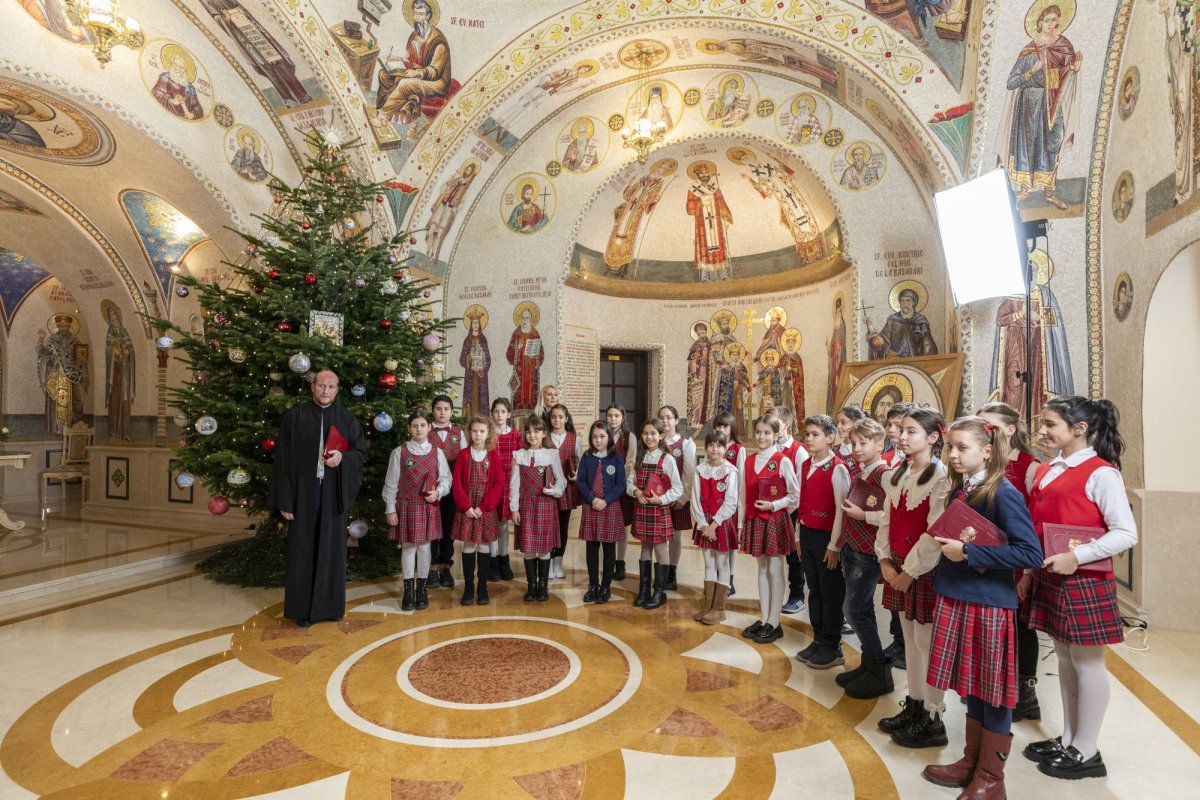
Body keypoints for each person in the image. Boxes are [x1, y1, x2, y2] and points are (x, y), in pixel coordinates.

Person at [922, 416, 1043, 799]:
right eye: (950, 448)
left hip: (988, 603)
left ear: (987, 452)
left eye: (963, 448)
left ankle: (992, 778)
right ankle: (971, 762)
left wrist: (969, 551)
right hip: (960, 596)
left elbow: (1030, 552)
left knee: (994, 690)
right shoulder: (963, 489)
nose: (954, 455)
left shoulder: (1003, 491)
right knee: (973, 685)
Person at [1022, 396, 1136, 780]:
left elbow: (1125, 533)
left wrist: (1079, 556)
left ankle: (1087, 750)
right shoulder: (1048, 469)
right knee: (1067, 660)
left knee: (1088, 663)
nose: (1042, 431)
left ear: (1080, 429)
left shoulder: (1102, 473)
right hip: (1051, 573)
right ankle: (1069, 737)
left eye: (1050, 424)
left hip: (1083, 577)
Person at [875, 408, 951, 749]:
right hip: (899, 567)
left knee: (927, 644)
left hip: (923, 570)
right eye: (901, 431)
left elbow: (935, 532)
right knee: (910, 642)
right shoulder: (900, 473)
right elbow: (888, 520)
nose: (902, 436)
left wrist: (908, 572)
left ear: (933, 438)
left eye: (911, 432)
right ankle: (915, 705)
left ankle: (934, 718)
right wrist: (884, 560)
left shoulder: (941, 477)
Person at [269, 370, 367, 627]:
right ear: (313, 387)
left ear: (337, 389)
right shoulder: (294, 417)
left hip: (332, 491)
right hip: (304, 493)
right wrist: (286, 501)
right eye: (321, 385)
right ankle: (302, 611)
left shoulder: (346, 419)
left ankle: (330, 608)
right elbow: (282, 461)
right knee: (303, 549)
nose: (326, 391)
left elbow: (359, 452)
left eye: (331, 386)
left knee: (332, 549)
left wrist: (342, 459)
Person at [978, 400, 1044, 722]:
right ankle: (995, 689)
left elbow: (1033, 522)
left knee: (1020, 626)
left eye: (989, 424)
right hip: (986, 559)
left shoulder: (1029, 467)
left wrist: (1029, 573)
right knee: (994, 627)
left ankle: (1025, 692)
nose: (985, 430)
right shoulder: (984, 462)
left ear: (1009, 429)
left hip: (1017, 562)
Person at [836, 418, 896, 699]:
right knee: (861, 609)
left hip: (868, 551)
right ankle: (868, 664)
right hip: (854, 547)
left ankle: (879, 669)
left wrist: (864, 516)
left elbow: (894, 514)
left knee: (854, 610)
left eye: (863, 443)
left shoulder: (884, 473)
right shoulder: (862, 471)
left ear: (879, 444)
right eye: (853, 443)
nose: (856, 448)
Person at [795, 415, 851, 669]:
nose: (809, 438)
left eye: (815, 434)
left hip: (826, 539)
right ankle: (818, 638)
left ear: (830, 438)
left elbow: (841, 510)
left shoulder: (837, 467)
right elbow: (801, 502)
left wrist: (834, 546)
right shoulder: (806, 464)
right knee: (814, 589)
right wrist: (798, 536)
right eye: (807, 434)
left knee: (830, 592)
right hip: (807, 534)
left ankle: (832, 643)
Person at [740, 414, 799, 644]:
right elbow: (744, 495)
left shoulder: (782, 460)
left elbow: (794, 495)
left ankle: (775, 621)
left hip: (774, 521)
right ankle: (764, 617)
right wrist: (741, 521)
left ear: (776, 435)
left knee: (775, 570)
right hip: (755, 520)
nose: (761, 436)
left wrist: (774, 505)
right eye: (758, 432)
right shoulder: (748, 460)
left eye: (767, 432)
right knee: (762, 570)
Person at [384, 409, 449, 612]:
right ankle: (408, 590)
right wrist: (390, 509)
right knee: (409, 547)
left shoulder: (437, 452)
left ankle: (421, 589)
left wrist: (438, 492)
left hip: (427, 505)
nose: (419, 429)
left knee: (424, 547)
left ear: (429, 427)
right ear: (408, 428)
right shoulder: (399, 452)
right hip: (406, 505)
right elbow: (391, 483)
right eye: (414, 426)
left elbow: (447, 478)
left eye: (422, 425)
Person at [629, 418, 684, 610]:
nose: (649, 437)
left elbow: (678, 488)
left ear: (660, 435)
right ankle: (644, 590)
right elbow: (630, 482)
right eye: (645, 433)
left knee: (661, 549)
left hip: (659, 509)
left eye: (653, 433)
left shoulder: (667, 459)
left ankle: (659, 592)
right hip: (643, 509)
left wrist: (661, 499)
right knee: (645, 548)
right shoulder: (639, 457)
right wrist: (635, 492)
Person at [511, 415, 567, 602]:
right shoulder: (519, 455)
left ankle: (543, 586)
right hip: (526, 505)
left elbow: (561, 479)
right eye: (528, 432)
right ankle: (531, 585)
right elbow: (514, 484)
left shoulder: (552, 454)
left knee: (543, 548)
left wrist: (555, 491)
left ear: (544, 433)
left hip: (545, 503)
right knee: (528, 547)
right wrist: (514, 508)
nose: (532, 435)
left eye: (536, 431)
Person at [451, 416, 503, 606]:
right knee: (469, 546)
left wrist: (483, 507)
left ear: (488, 433)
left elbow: (498, 484)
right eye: (475, 431)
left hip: (485, 508)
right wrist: (466, 507)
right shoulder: (464, 455)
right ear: (469, 433)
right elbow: (456, 483)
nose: (478, 435)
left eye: (482, 431)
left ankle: (482, 587)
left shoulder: (493, 456)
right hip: (467, 508)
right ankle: (468, 588)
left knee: (483, 546)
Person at [376, 0, 452, 125]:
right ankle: (384, 112)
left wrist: (417, 74)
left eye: (421, 14)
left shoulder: (438, 41)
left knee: (405, 84)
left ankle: (382, 117)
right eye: (415, 14)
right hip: (417, 72)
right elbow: (412, 61)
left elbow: (435, 71)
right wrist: (399, 59)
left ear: (428, 16)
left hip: (437, 82)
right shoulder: (415, 35)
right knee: (384, 74)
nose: (417, 18)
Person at [691, 431, 740, 625]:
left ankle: (719, 608)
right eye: (711, 445)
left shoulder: (731, 471)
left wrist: (714, 524)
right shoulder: (700, 470)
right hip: (704, 522)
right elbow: (695, 499)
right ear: (706, 448)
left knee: (722, 564)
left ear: (725, 448)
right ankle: (708, 605)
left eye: (719, 445)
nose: (715, 449)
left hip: (721, 522)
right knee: (709, 563)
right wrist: (703, 525)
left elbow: (731, 502)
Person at [576, 420, 626, 603]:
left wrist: (605, 500)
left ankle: (605, 586)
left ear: (609, 437)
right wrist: (592, 498)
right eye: (595, 437)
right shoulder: (587, 457)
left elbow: (621, 484)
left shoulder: (616, 457)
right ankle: (593, 585)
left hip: (610, 506)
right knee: (592, 547)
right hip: (591, 506)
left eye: (602, 436)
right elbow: (581, 481)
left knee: (609, 547)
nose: (598, 440)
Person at [775, 407, 811, 615]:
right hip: (774, 511)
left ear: (785, 424)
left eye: (775, 421)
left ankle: (797, 595)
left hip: (791, 510)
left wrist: (786, 510)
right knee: (774, 555)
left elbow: (799, 485)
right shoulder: (770, 447)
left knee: (793, 557)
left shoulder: (798, 450)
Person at [429, 395, 465, 589]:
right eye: (438, 408)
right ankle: (432, 566)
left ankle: (445, 566)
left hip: (452, 488)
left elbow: (465, 460)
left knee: (448, 526)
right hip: (431, 486)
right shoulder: (425, 431)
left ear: (451, 412)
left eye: (446, 409)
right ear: (433, 410)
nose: (442, 412)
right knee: (432, 526)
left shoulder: (459, 433)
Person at [658, 405, 696, 591]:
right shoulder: (655, 441)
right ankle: (661, 571)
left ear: (675, 420)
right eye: (662, 418)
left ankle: (672, 572)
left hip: (676, 499)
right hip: (658, 498)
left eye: (669, 417)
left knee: (675, 535)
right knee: (658, 536)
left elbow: (689, 474)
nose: (665, 421)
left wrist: (682, 498)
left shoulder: (685, 444)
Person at [712, 409, 745, 596]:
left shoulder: (738, 450)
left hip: (731, 504)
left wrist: (739, 508)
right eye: (718, 425)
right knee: (716, 543)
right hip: (714, 503)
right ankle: (718, 578)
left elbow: (740, 480)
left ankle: (729, 581)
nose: (721, 429)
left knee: (730, 544)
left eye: (724, 426)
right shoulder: (714, 447)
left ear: (731, 428)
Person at [489, 398, 522, 581]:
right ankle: (492, 561)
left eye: (503, 411)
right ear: (492, 414)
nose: (500, 415)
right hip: (492, 484)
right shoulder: (488, 434)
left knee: (503, 524)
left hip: (510, 483)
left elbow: (520, 460)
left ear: (509, 414)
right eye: (496, 411)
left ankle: (504, 560)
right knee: (493, 522)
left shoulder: (515, 435)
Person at [548, 403, 581, 580]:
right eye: (554, 417)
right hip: (549, 487)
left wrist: (577, 475)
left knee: (562, 525)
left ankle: (558, 562)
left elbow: (579, 461)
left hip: (567, 487)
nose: (557, 420)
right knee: (549, 525)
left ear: (566, 419)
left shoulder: (574, 439)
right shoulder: (545, 437)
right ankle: (549, 561)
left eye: (560, 417)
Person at [607, 404, 637, 580]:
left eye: (616, 416)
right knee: (608, 523)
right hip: (603, 486)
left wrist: (618, 481)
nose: (613, 419)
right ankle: (609, 560)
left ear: (622, 417)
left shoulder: (628, 437)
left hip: (621, 486)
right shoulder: (602, 433)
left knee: (622, 525)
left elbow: (630, 463)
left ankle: (620, 561)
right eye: (610, 415)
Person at [869, 288, 939, 359]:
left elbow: (928, 344)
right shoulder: (892, 320)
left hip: (915, 360)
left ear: (913, 303)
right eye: (902, 301)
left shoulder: (920, 321)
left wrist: (927, 360)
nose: (905, 304)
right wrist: (871, 328)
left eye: (908, 300)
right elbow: (884, 340)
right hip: (895, 359)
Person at [103, 304, 135, 441]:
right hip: (115, 374)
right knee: (115, 402)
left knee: (125, 400)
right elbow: (108, 350)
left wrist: (126, 352)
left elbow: (130, 350)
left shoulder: (124, 331)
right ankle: (114, 432)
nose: (113, 318)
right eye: (110, 316)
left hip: (125, 372)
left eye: (114, 315)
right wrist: (114, 352)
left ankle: (125, 432)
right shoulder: (110, 332)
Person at [506, 306, 544, 413]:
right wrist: (517, 348)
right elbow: (509, 352)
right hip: (520, 369)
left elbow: (541, 352)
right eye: (523, 318)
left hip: (531, 370)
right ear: (521, 318)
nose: (525, 320)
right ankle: (517, 413)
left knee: (531, 392)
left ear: (531, 318)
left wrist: (536, 356)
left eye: (527, 318)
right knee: (519, 389)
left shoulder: (535, 333)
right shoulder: (516, 333)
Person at [835, 405, 867, 479]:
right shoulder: (833, 451)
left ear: (856, 423)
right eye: (837, 422)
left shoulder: (864, 452)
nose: (838, 426)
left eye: (843, 422)